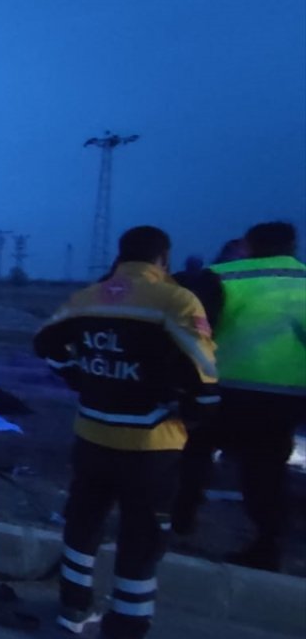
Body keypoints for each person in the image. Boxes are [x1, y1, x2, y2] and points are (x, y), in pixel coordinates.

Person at [34, 226, 219, 639]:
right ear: (163, 259)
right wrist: (196, 414)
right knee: (143, 536)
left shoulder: (88, 298)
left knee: (82, 525)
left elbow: (44, 341)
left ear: (120, 256)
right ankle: (127, 624)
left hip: (92, 434)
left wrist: (77, 377)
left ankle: (73, 608)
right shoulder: (176, 300)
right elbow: (204, 375)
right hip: (150, 444)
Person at [174, 222, 306, 571]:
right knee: (266, 471)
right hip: (286, 395)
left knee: (194, 453)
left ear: (248, 244)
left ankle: (179, 521)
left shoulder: (220, 277)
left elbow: (193, 330)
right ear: (292, 245)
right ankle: (267, 545)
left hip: (223, 388)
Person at [171, 255, 223, 322]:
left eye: (195, 265)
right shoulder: (177, 279)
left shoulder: (210, 280)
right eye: (191, 266)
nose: (193, 269)